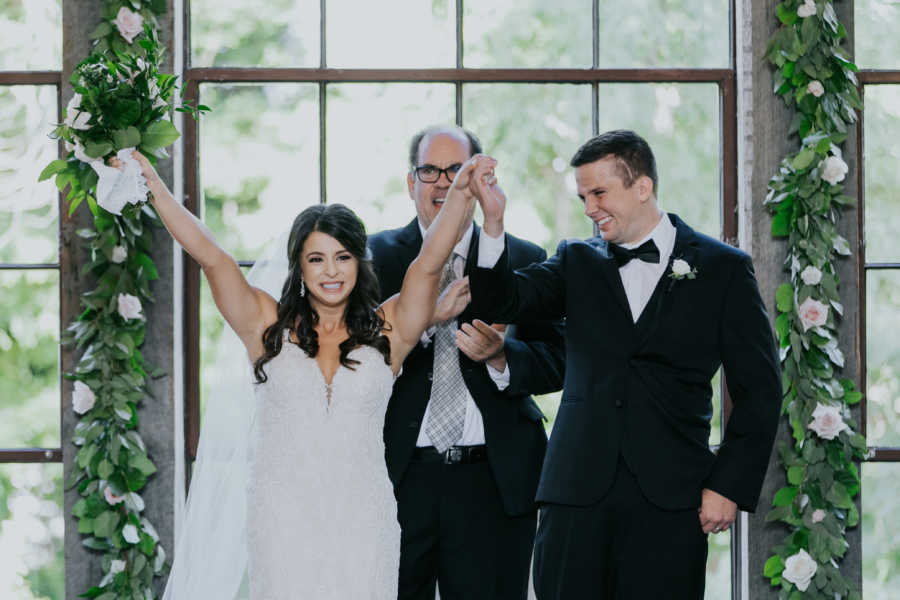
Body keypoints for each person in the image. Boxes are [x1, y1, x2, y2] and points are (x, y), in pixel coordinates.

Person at [120, 149, 500, 599]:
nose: (331, 271)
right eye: (316, 259)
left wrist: (459, 193)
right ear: (299, 266)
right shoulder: (265, 324)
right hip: (282, 518)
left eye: (342, 257)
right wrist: (154, 186)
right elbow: (212, 257)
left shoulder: (391, 328)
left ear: (360, 262)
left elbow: (429, 262)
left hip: (364, 516)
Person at [468, 130, 781, 599]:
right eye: (582, 197)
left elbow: (761, 389)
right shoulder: (573, 260)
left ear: (642, 187)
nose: (589, 207)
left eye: (598, 193)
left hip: (672, 497)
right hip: (574, 493)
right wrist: (493, 223)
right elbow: (503, 300)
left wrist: (728, 485)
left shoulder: (723, 269)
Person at [367, 125, 565, 600]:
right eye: (429, 170)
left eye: (456, 170)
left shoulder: (524, 256)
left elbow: (557, 359)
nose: (442, 182)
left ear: (479, 182)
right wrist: (409, 332)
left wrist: (502, 357)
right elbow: (347, 359)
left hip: (492, 481)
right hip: (397, 475)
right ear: (409, 182)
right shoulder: (369, 258)